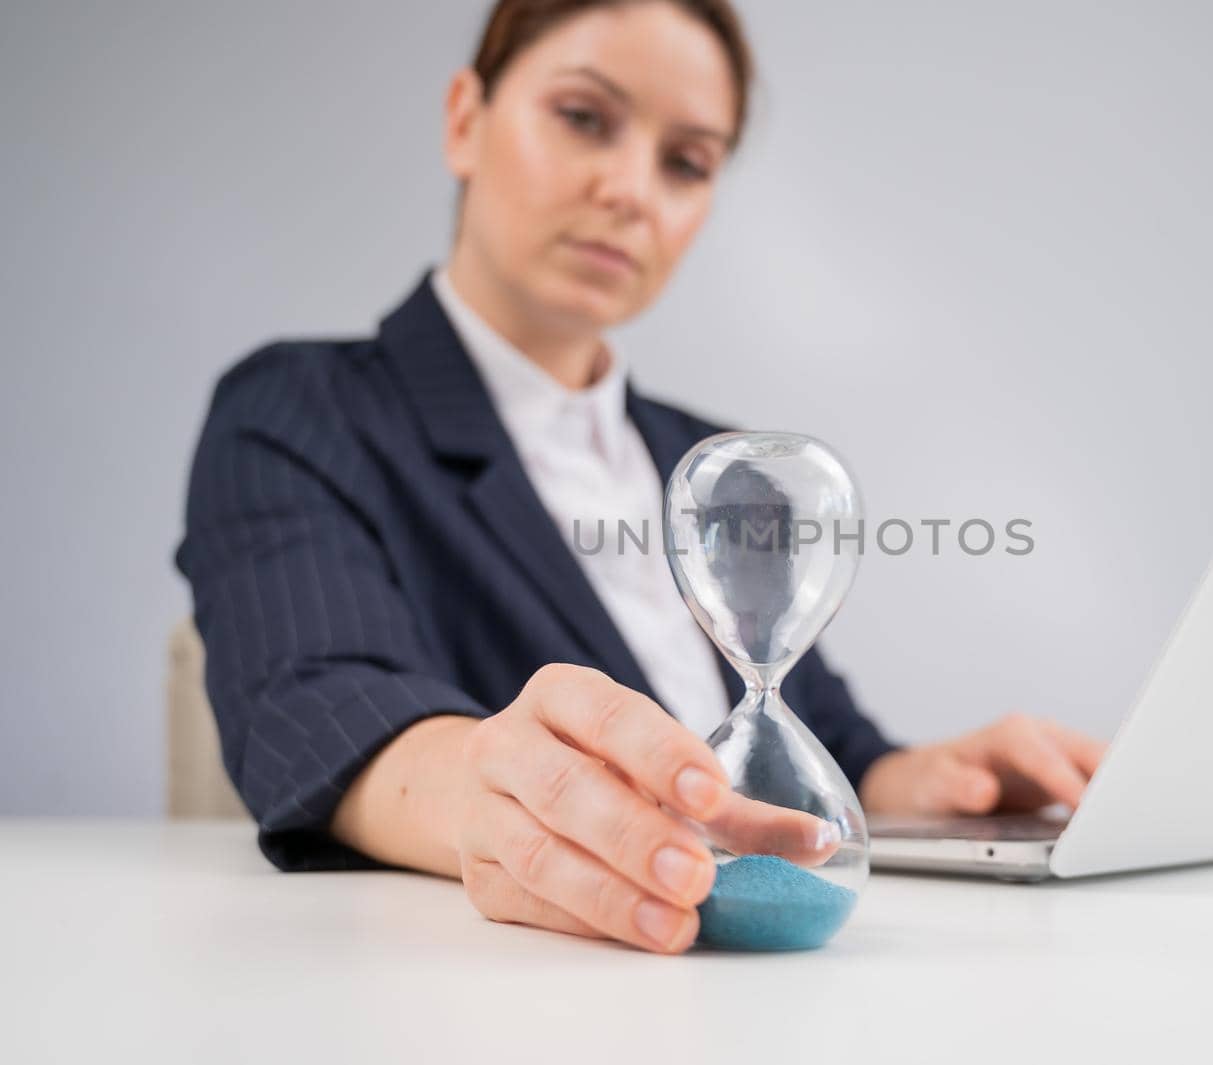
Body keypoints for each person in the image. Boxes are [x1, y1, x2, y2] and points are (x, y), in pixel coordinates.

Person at [176, 0, 1107, 955]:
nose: (633, 190)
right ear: (465, 119)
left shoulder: (713, 461)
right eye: (585, 117)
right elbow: (313, 696)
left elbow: (811, 731)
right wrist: (488, 790)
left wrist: (928, 783)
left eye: (686, 162)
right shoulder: (304, 409)